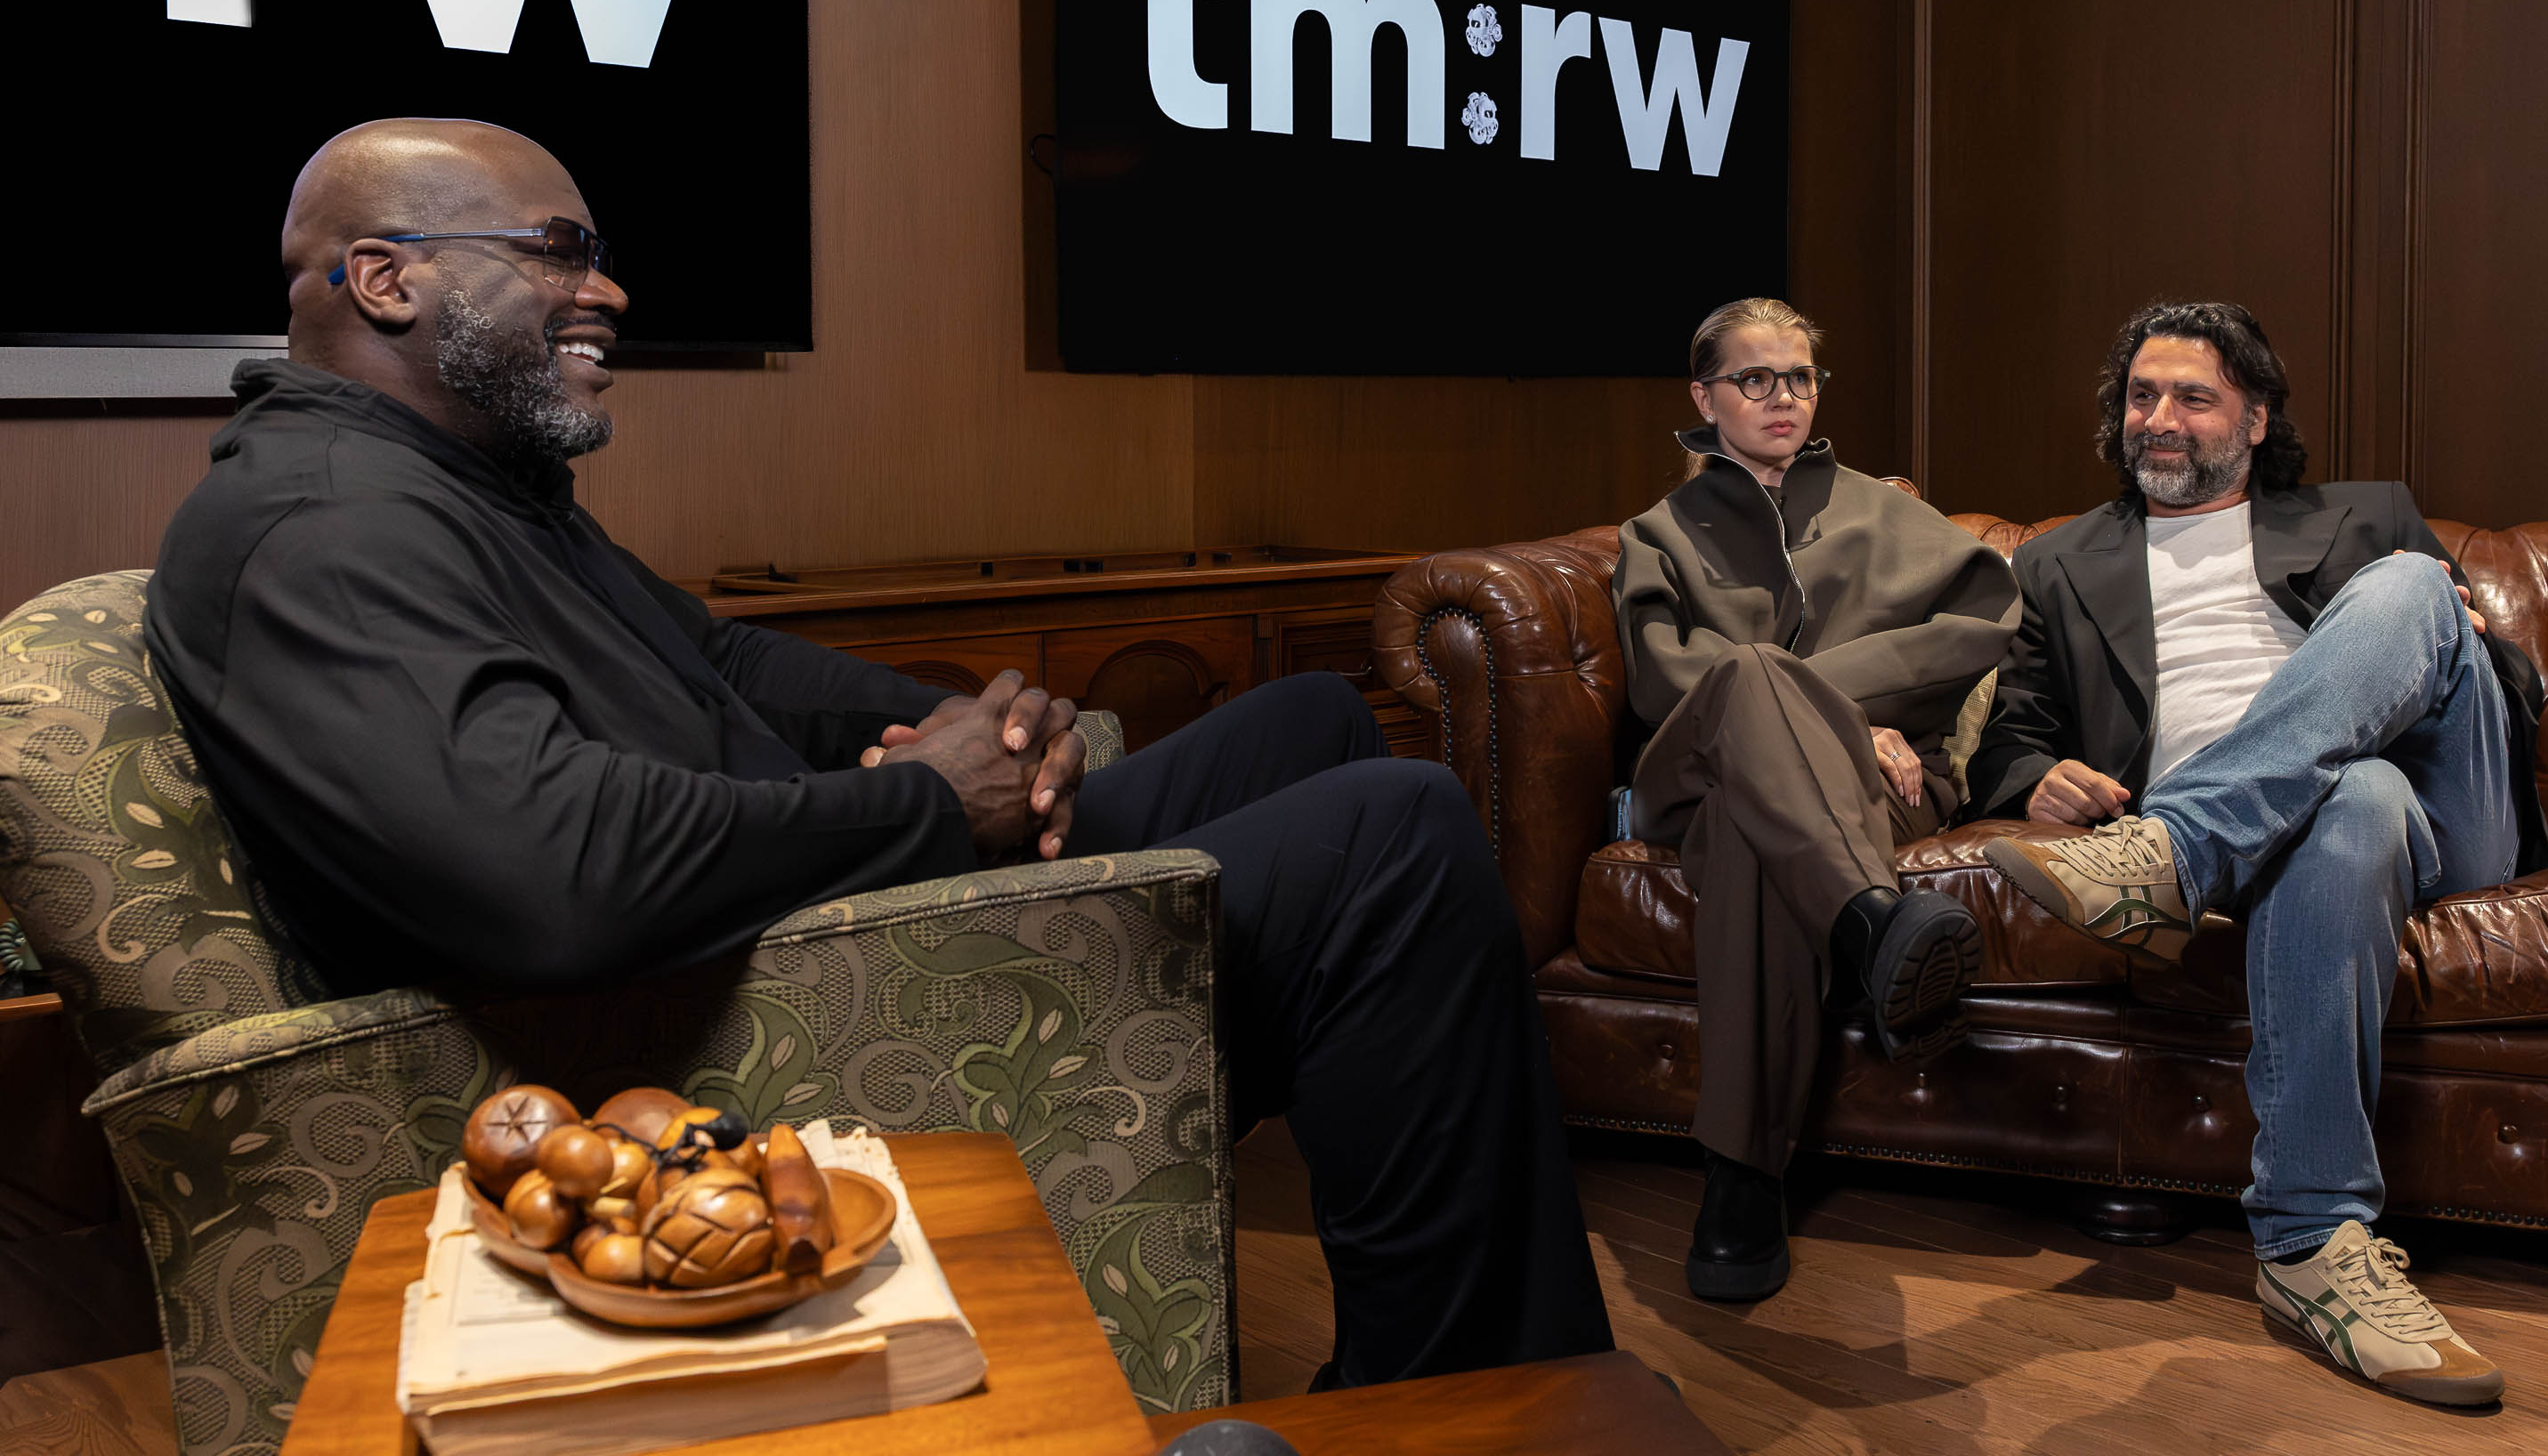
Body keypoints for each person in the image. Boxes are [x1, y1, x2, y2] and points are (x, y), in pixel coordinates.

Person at [144, 117, 1613, 1388]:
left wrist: (986, 723)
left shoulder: (464, 490)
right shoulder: (325, 526)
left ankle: (1434, 1334)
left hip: (794, 902)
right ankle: (1468, 1405)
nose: (606, 289)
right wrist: (926, 799)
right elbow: (556, 878)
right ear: (388, 280)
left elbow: (714, 659)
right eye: (555, 250)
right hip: (729, 1017)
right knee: (1395, 838)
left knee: (1312, 723)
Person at [1966, 299, 2546, 1406]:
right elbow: (2013, 733)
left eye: (2192, 395)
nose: (2160, 418)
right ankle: (2311, 1242)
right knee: (2351, 797)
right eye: (2142, 395)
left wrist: (2468, 638)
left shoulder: (2367, 517)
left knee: (2416, 599)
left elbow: (2503, 699)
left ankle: (2169, 857)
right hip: (2336, 829)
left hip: (2446, 818)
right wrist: (2029, 780)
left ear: (2255, 413)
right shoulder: (2055, 564)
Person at [1613, 297, 2020, 1302]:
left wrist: (1826, 723)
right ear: (1705, 397)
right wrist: (1834, 715)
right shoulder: (1657, 534)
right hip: (1696, 770)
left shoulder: (1886, 511)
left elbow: (1985, 617)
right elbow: (1666, 682)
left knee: (1755, 840)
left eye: (1798, 376)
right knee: (1748, 674)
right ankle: (1875, 920)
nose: (1782, 396)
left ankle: (1742, 1176)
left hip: (1874, 792)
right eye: (1756, 378)